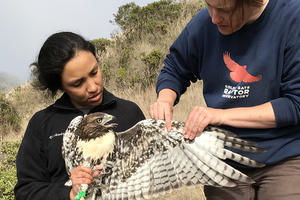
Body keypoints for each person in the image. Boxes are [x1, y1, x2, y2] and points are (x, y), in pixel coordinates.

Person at [149, 0, 300, 199]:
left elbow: (294, 105)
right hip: (223, 158)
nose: (214, 17)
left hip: (283, 154)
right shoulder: (204, 24)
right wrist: (165, 99)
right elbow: (175, 67)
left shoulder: (292, 17)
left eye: (223, 10)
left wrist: (218, 115)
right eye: (209, 5)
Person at [14, 31, 145, 200]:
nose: (92, 87)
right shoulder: (42, 124)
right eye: (77, 83)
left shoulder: (129, 113)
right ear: (60, 85)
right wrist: (68, 193)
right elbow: (26, 192)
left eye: (94, 72)